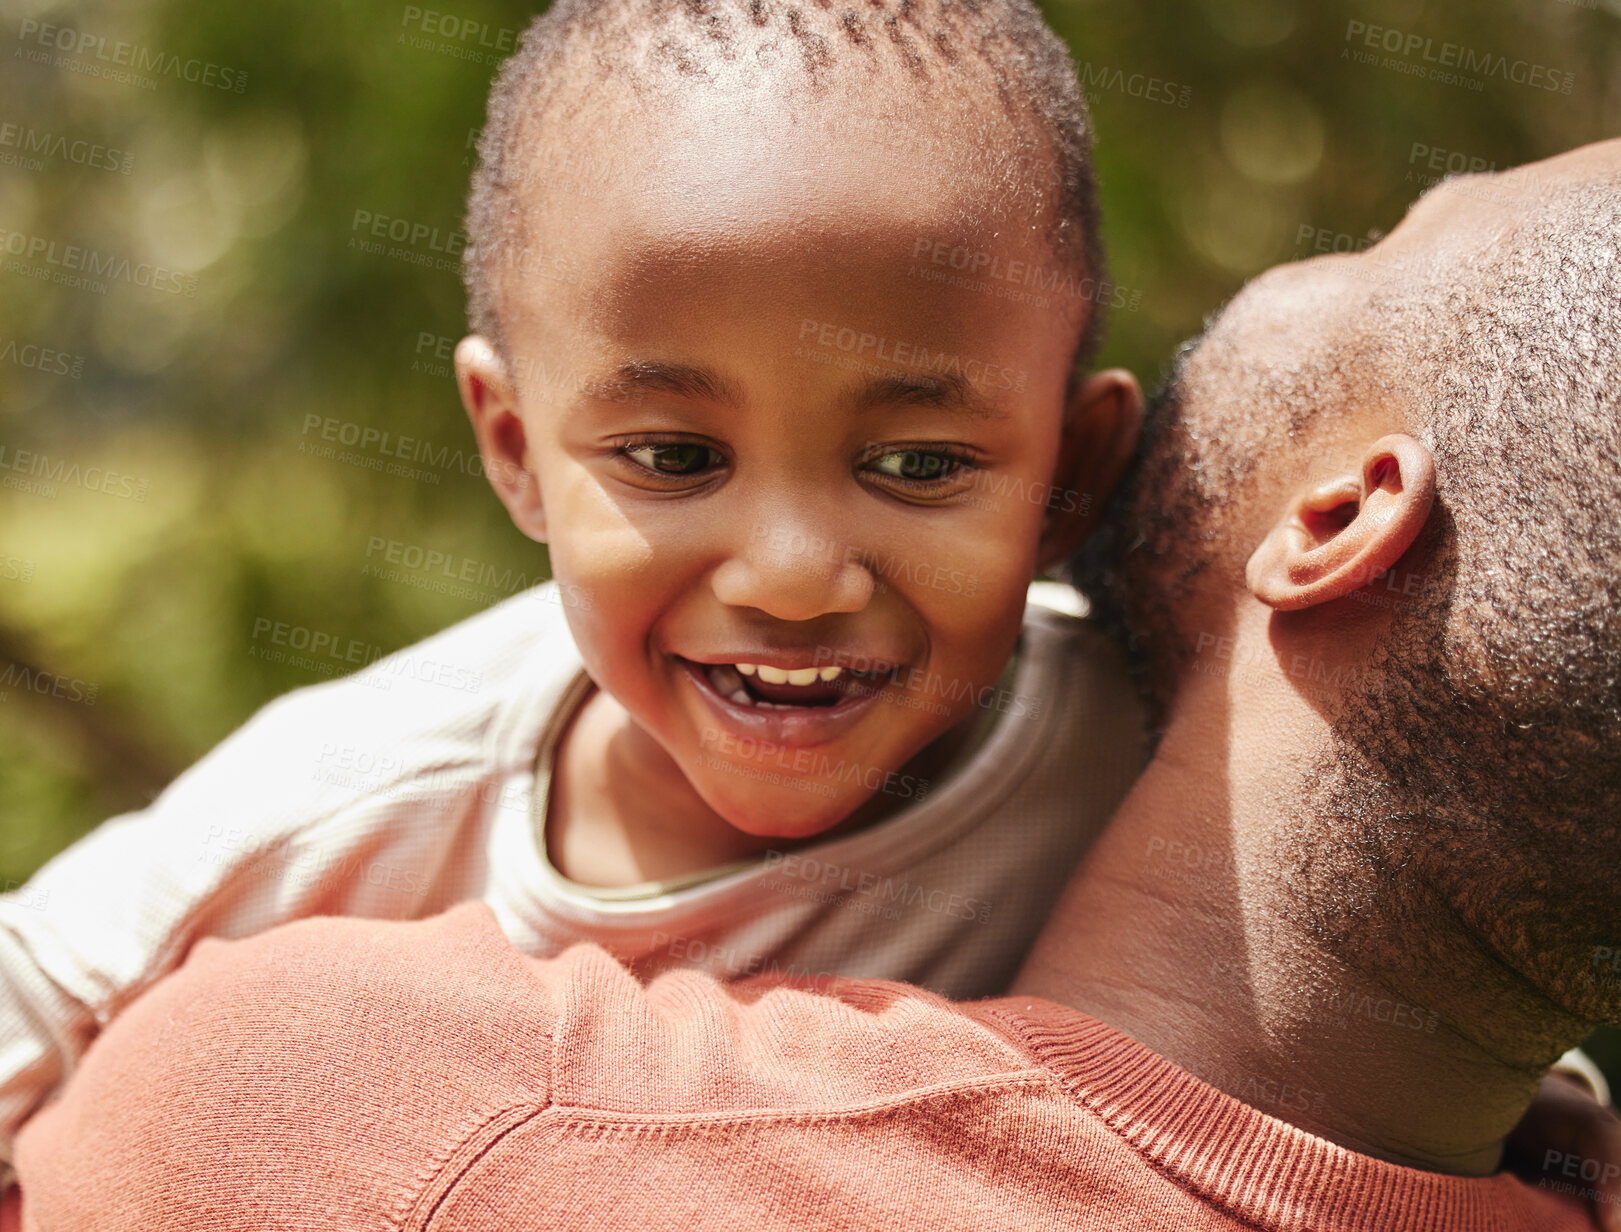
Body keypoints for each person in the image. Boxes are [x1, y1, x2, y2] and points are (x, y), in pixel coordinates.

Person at [8, 140, 1621, 1231]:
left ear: (1337, 514)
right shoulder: (1567, 1171)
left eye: (1397, 229)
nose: (789, 572)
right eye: (676, 457)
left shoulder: (377, 1122)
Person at [0, 0, 1155, 1187]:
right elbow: (34, 984)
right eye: (672, 457)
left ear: (1068, 475)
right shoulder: (365, 801)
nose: (792, 578)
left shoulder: (1143, 765)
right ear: (513, 448)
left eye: (917, 465)